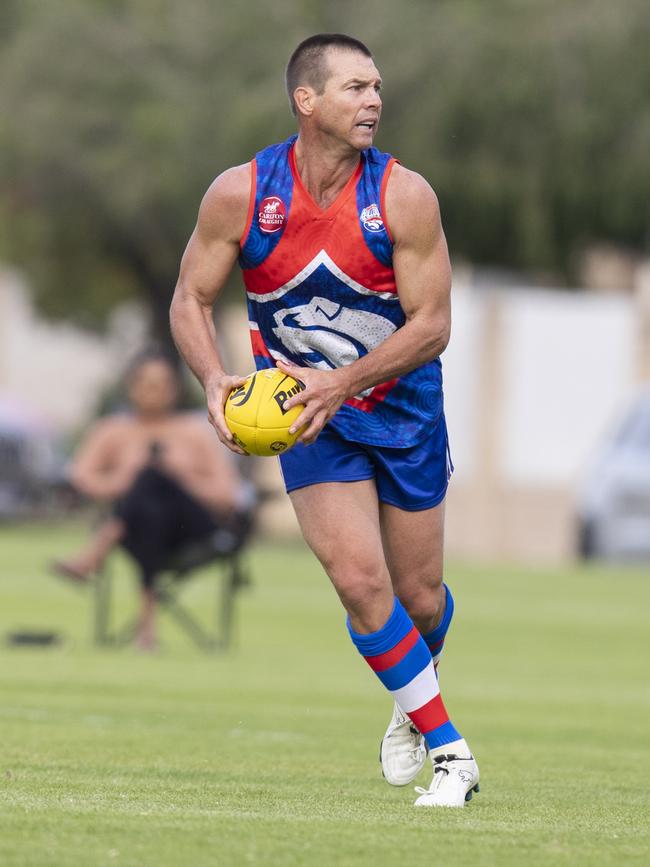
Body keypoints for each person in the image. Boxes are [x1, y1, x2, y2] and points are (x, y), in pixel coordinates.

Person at [170, 33, 479, 807]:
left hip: (403, 410)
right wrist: (213, 377)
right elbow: (190, 298)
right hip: (310, 418)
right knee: (357, 578)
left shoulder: (404, 196)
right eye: (354, 88)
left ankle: (410, 700)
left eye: (377, 87)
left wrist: (343, 380)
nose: (374, 100)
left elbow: (434, 324)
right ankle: (452, 755)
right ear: (306, 101)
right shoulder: (240, 194)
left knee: (422, 599)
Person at [52, 348, 243, 650]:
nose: (156, 392)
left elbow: (227, 495)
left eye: (164, 384)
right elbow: (80, 478)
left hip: (191, 530)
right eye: (148, 384)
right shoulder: (112, 430)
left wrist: (181, 476)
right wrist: (123, 478)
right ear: (132, 386)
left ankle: (96, 553)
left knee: (154, 478)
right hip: (140, 527)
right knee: (146, 494)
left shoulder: (195, 431)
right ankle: (146, 628)